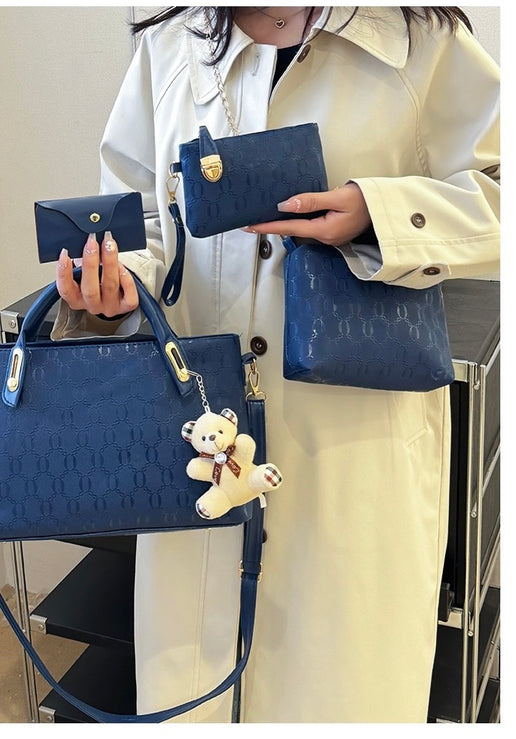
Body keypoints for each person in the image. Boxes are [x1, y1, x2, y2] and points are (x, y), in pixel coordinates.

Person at [53, 7, 500, 723]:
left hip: (355, 450)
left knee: (343, 687)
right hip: (200, 441)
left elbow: (498, 194)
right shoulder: (170, 48)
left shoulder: (419, 41)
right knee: (193, 692)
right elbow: (142, 222)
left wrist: (377, 213)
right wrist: (116, 289)